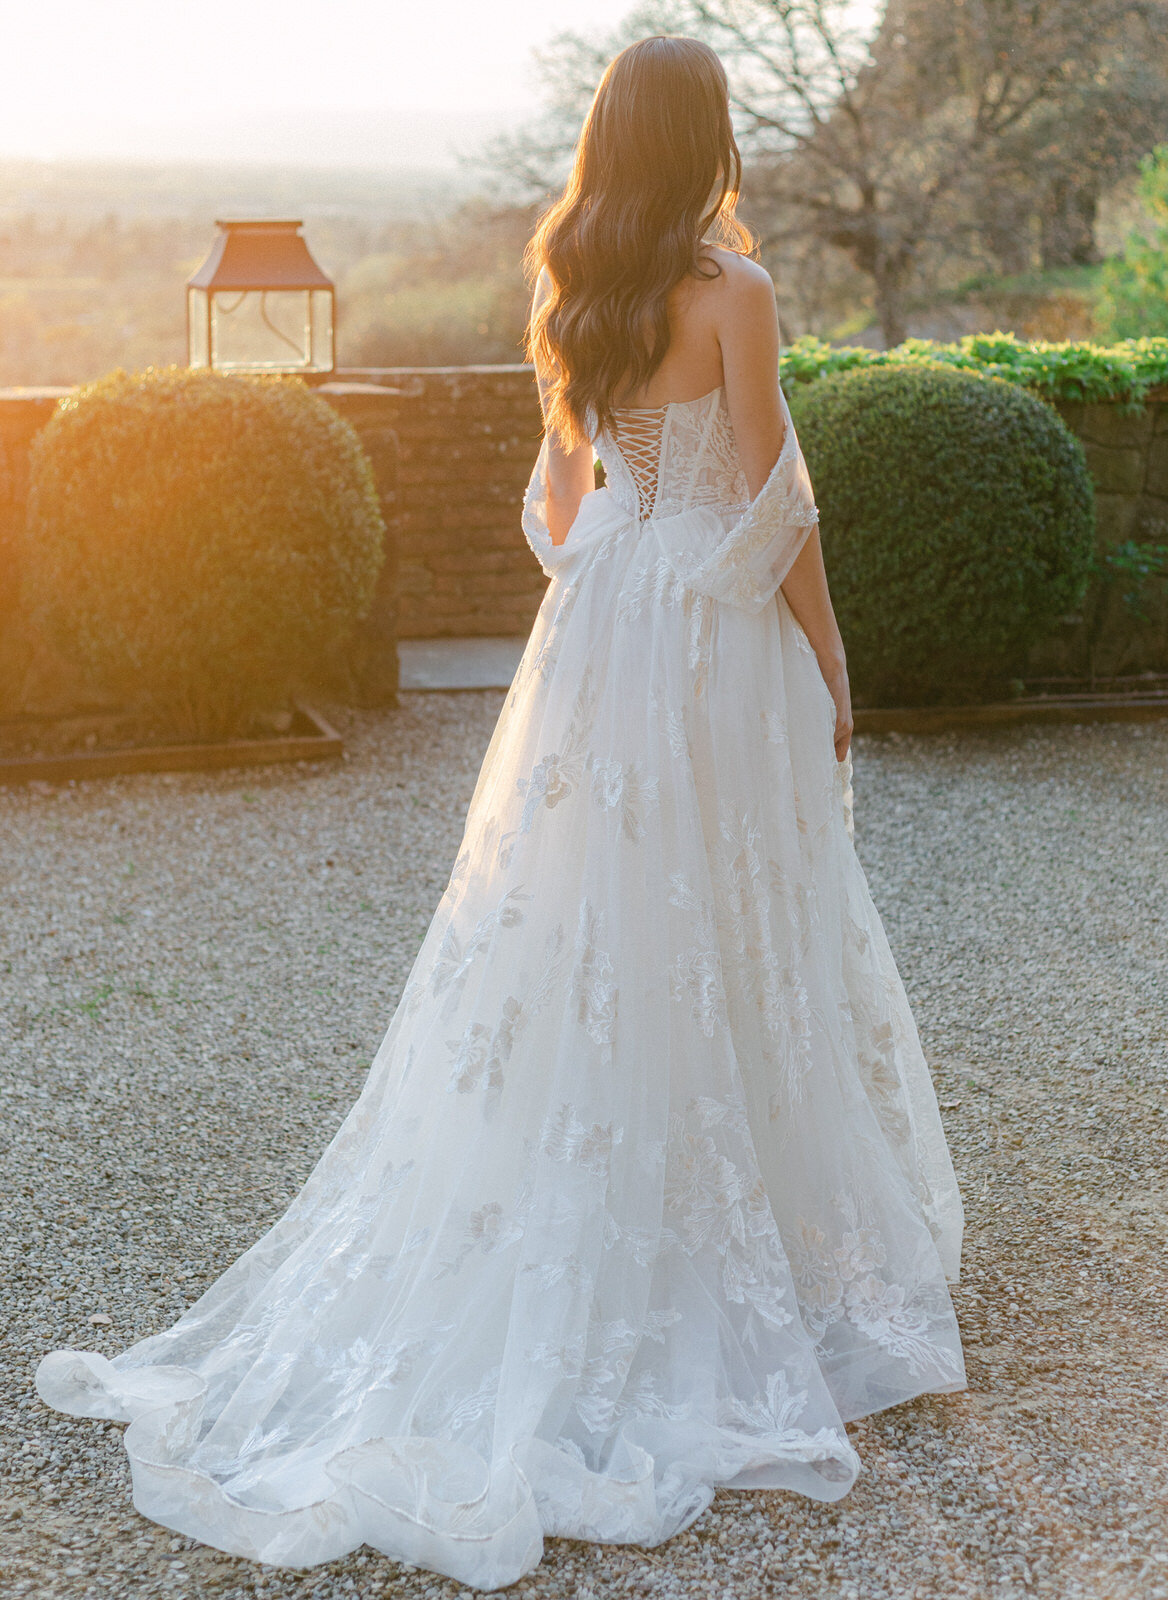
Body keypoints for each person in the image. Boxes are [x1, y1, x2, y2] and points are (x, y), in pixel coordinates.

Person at [36, 35, 965, 1592]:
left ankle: (606, 1225)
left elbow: (554, 504)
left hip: (602, 633)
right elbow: (777, 497)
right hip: (702, 634)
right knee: (731, 914)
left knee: (587, 922)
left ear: (612, 141)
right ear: (707, 139)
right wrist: (824, 652)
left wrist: (611, 574)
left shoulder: (574, 285)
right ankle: (749, 1253)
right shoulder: (731, 292)